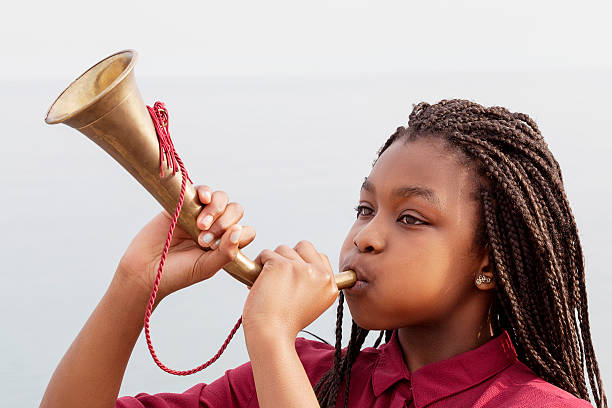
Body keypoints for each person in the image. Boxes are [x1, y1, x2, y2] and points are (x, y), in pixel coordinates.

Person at [39, 99, 607, 408]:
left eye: (410, 218)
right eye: (364, 209)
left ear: (490, 261)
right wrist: (134, 283)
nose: (366, 237)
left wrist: (270, 338)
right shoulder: (312, 377)